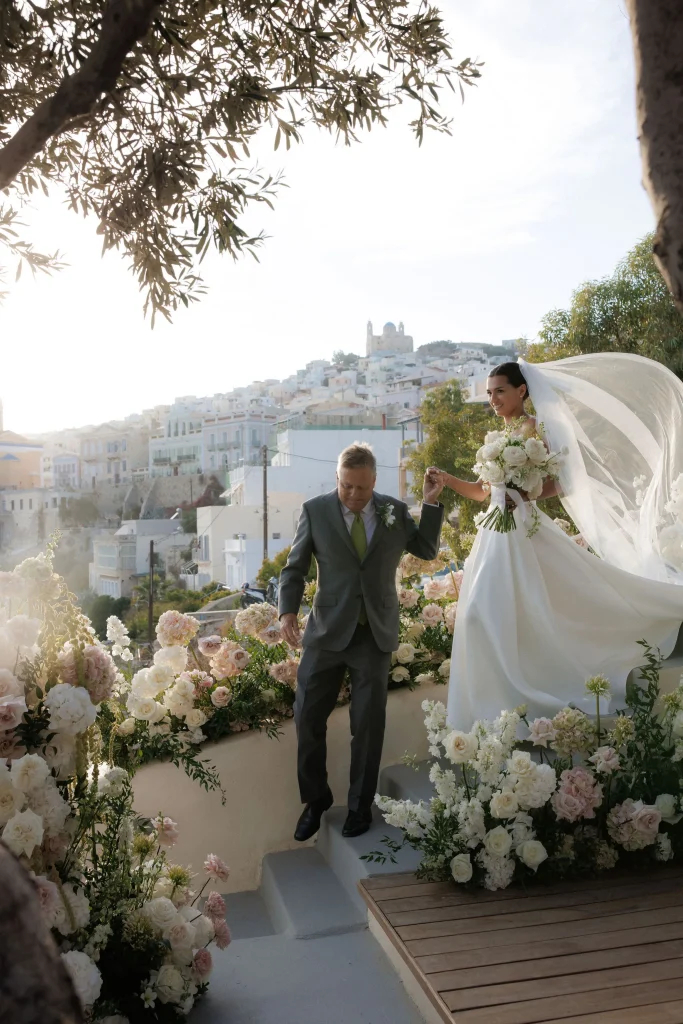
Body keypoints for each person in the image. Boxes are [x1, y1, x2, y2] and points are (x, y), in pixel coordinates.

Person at [427, 355, 683, 728]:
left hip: (521, 530)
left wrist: (526, 493)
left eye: (500, 391)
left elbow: (561, 482)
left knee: (531, 606)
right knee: (483, 613)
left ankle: (524, 692)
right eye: (488, 393)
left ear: (522, 390)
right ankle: (494, 705)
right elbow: (486, 494)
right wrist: (448, 481)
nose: (493, 399)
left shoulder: (535, 430)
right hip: (495, 533)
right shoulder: (498, 438)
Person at [279, 442, 444, 841]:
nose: (354, 496)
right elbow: (295, 567)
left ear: (375, 482)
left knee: (368, 726)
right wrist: (287, 611)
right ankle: (316, 800)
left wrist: (430, 503)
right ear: (337, 478)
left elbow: (425, 549)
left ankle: (359, 806)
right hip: (326, 632)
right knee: (306, 718)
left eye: (362, 488)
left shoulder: (394, 511)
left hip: (374, 632)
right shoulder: (315, 511)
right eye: (346, 486)